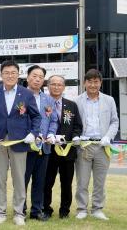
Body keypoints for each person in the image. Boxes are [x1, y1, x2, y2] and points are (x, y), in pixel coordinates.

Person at [0, 60, 41, 226]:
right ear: (1, 75)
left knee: (19, 178)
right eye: (6, 73)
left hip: (20, 141)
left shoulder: (26, 93)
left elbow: (36, 117)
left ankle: (18, 213)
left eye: (13, 73)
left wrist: (33, 133)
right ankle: (0, 212)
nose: (10, 76)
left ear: (18, 75)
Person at [74, 68, 119, 220]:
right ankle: (81, 209)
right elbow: (73, 122)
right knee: (82, 181)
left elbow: (114, 121)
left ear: (100, 83)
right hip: (84, 146)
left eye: (96, 82)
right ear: (85, 83)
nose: (93, 85)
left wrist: (108, 136)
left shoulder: (109, 100)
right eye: (90, 82)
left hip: (102, 146)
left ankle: (97, 209)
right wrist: (76, 137)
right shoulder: (77, 101)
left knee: (100, 181)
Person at [43, 75, 82, 219]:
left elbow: (77, 126)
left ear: (64, 87)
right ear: (48, 86)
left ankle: (64, 211)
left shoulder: (71, 105)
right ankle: (46, 209)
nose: (56, 87)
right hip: (48, 151)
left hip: (67, 152)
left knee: (67, 183)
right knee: (47, 183)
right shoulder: (43, 103)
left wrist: (76, 136)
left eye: (59, 84)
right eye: (53, 84)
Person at [23, 65, 58, 221]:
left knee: (39, 180)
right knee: (23, 180)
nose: (37, 79)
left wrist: (51, 134)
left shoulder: (48, 99)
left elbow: (54, 120)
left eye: (40, 77)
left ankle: (36, 211)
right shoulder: (20, 96)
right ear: (27, 77)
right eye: (34, 75)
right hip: (25, 146)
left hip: (44, 147)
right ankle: (20, 210)